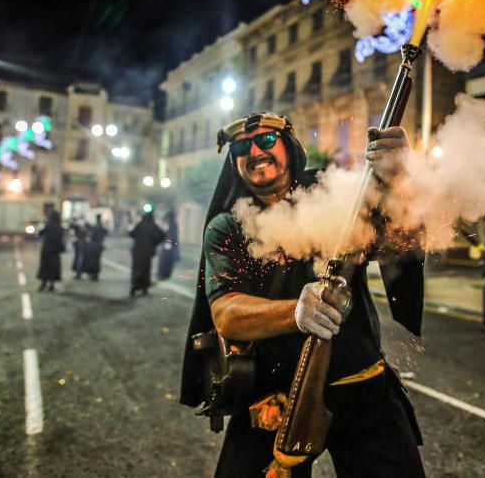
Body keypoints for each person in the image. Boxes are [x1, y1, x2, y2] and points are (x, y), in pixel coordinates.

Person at [180, 113, 426, 477]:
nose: (255, 151)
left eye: (265, 141)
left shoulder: (334, 194)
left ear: (289, 147)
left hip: (361, 384)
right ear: (233, 161)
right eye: (242, 147)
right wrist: (297, 311)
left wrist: (398, 179)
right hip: (273, 396)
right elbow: (227, 314)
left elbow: (394, 244)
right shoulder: (227, 225)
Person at [128, 209, 165, 296]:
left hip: (137, 251)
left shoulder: (140, 225)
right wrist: (154, 243)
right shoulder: (153, 226)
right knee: (146, 269)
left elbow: (132, 234)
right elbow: (162, 235)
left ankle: (135, 285)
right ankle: (144, 286)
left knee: (137, 268)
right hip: (148, 252)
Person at [38, 211, 65, 292]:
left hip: (46, 250)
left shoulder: (48, 226)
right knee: (53, 267)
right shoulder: (60, 228)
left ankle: (43, 283)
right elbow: (61, 240)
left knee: (45, 267)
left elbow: (40, 234)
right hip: (55, 251)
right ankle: (51, 285)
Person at [156, 209, 181, 281]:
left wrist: (168, 242)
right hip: (167, 244)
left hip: (169, 245)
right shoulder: (169, 223)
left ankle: (164, 274)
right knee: (164, 260)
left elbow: (171, 235)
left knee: (166, 261)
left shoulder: (172, 224)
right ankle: (162, 274)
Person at [82, 215, 108, 281]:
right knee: (97, 261)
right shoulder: (102, 227)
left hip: (94, 246)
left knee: (93, 261)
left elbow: (91, 236)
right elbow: (106, 234)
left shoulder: (95, 227)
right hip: (99, 245)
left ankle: (93, 275)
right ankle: (96, 275)